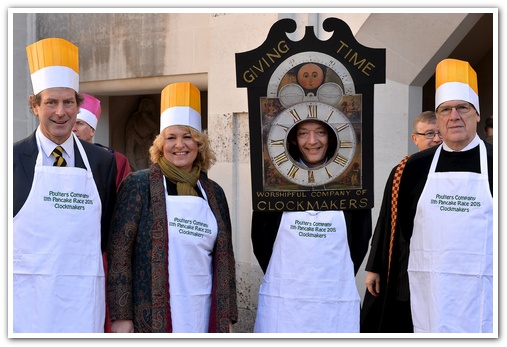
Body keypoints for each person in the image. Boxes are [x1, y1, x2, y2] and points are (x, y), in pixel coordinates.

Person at [106, 82, 238, 333]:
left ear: (199, 144)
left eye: (188, 137)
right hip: (151, 313)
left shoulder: (214, 193)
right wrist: (121, 316)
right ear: (160, 145)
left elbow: (226, 259)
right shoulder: (138, 184)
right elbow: (119, 253)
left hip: (203, 307)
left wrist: (228, 317)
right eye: (171, 138)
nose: (180, 145)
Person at [13, 37, 117, 332]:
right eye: (51, 102)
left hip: (83, 304)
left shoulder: (102, 162)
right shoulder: (10, 159)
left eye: (68, 102)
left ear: (77, 106)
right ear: (35, 106)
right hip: (25, 306)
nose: (61, 112)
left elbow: (105, 233)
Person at [395, 59, 492, 333]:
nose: (454, 116)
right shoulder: (414, 167)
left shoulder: (498, 163)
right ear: (437, 118)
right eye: (445, 110)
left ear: (475, 113)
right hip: (432, 292)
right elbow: (405, 227)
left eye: (462, 107)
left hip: (485, 293)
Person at [252, 118, 372, 333]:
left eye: (321, 132)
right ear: (293, 139)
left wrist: (332, 278)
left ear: (332, 136)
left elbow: (361, 238)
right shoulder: (273, 182)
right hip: (285, 299)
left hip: (333, 298)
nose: (312, 141)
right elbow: (261, 239)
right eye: (303, 133)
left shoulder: (354, 182)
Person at [360, 110, 442, 333]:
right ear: (415, 139)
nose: (436, 139)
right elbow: (386, 219)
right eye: (429, 133)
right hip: (403, 264)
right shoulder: (401, 172)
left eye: (440, 133)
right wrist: (374, 268)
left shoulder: (453, 173)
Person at [73, 93, 132, 190]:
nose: (73, 129)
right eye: (71, 123)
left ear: (92, 130)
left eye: (80, 123)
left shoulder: (118, 160)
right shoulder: (59, 156)